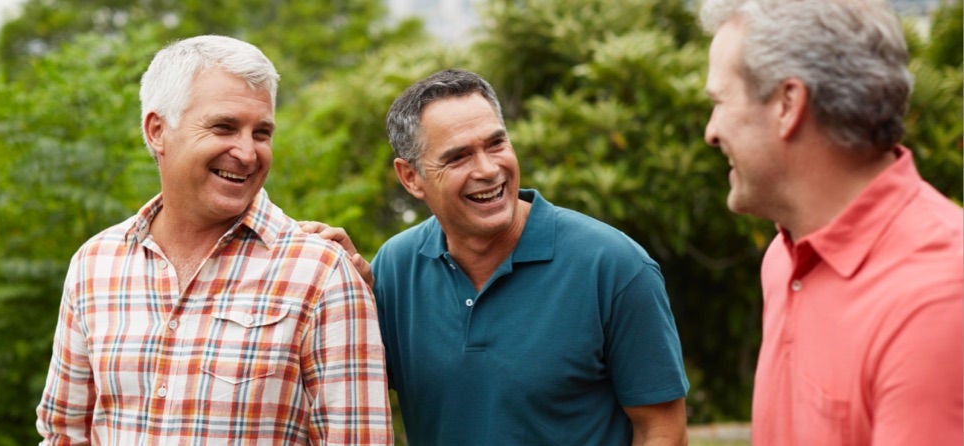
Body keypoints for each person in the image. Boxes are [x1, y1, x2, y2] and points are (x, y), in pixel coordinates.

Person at [34, 35, 391, 445]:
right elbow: (64, 435)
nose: (247, 153)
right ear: (157, 131)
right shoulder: (95, 263)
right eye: (224, 127)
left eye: (262, 133)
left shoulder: (322, 273)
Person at [309, 68, 690, 444]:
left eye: (496, 144)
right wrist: (348, 293)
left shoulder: (614, 265)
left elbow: (662, 430)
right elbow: (351, 387)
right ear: (411, 177)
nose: (488, 169)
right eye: (458, 157)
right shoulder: (396, 267)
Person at [699, 0, 964, 443]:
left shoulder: (937, 299)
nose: (711, 131)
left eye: (720, 102)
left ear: (788, 104)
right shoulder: (785, 259)